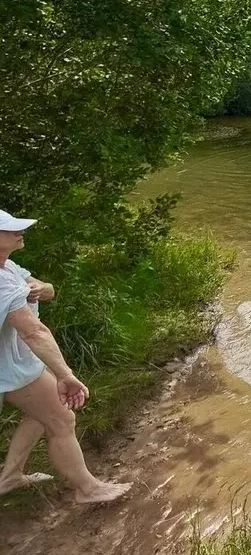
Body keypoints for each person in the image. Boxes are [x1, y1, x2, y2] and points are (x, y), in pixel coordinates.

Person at [0, 211, 132, 503]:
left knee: (39, 415)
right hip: (9, 370)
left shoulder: (8, 267)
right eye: (10, 230)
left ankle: (10, 477)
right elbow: (33, 332)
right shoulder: (1, 282)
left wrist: (39, 288)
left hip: (17, 365)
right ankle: (88, 489)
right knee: (61, 419)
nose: (20, 232)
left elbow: (47, 290)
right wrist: (65, 374)